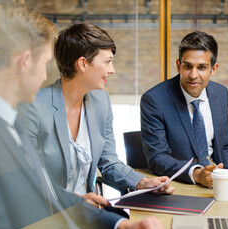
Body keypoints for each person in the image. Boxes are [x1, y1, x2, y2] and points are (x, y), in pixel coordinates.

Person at [0, 1, 165, 229]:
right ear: (24, 61)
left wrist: (118, 227)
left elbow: (47, 194)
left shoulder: (5, 121)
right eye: (43, 64)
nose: (43, 76)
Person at [18, 22, 174, 208]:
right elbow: (28, 180)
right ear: (83, 64)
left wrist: (143, 183)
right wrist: (76, 201)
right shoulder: (33, 106)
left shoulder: (100, 101)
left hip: (88, 212)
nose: (112, 69)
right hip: (48, 212)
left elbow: (109, 162)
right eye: (107, 62)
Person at [140, 31, 228, 188]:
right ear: (179, 66)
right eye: (187, 66)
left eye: (201, 67)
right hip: (178, 185)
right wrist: (197, 174)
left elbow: (225, 146)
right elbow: (157, 157)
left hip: (217, 184)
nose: (193, 75)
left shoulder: (221, 94)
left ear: (213, 69)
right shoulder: (154, 100)